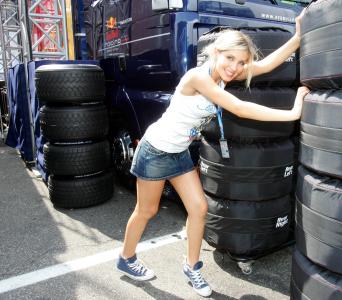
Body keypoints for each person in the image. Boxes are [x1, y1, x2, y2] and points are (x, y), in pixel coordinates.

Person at [116, 13, 310, 298]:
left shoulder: (224, 75)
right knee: (147, 211)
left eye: (242, 62)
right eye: (230, 58)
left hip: (178, 151)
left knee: (200, 209)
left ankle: (192, 266)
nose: (236, 67)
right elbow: (239, 108)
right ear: (216, 52)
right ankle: (127, 258)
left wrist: (297, 38)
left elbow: (266, 64)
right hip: (156, 150)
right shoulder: (199, 77)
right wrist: (293, 112)